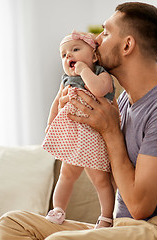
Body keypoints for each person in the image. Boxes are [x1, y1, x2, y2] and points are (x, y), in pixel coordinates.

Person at [0, 2, 157, 240]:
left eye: (105, 32)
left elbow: (139, 207)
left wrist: (110, 130)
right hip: (121, 228)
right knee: (10, 224)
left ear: (127, 45)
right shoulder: (123, 101)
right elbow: (118, 178)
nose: (95, 39)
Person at [42, 30, 115, 228]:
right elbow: (57, 102)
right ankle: (58, 209)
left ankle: (106, 217)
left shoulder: (101, 74)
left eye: (75, 49)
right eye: (64, 55)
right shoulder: (65, 80)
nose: (69, 56)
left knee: (100, 179)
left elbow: (99, 90)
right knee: (66, 175)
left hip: (94, 136)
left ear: (94, 56)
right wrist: (50, 124)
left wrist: (84, 71)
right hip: (73, 135)